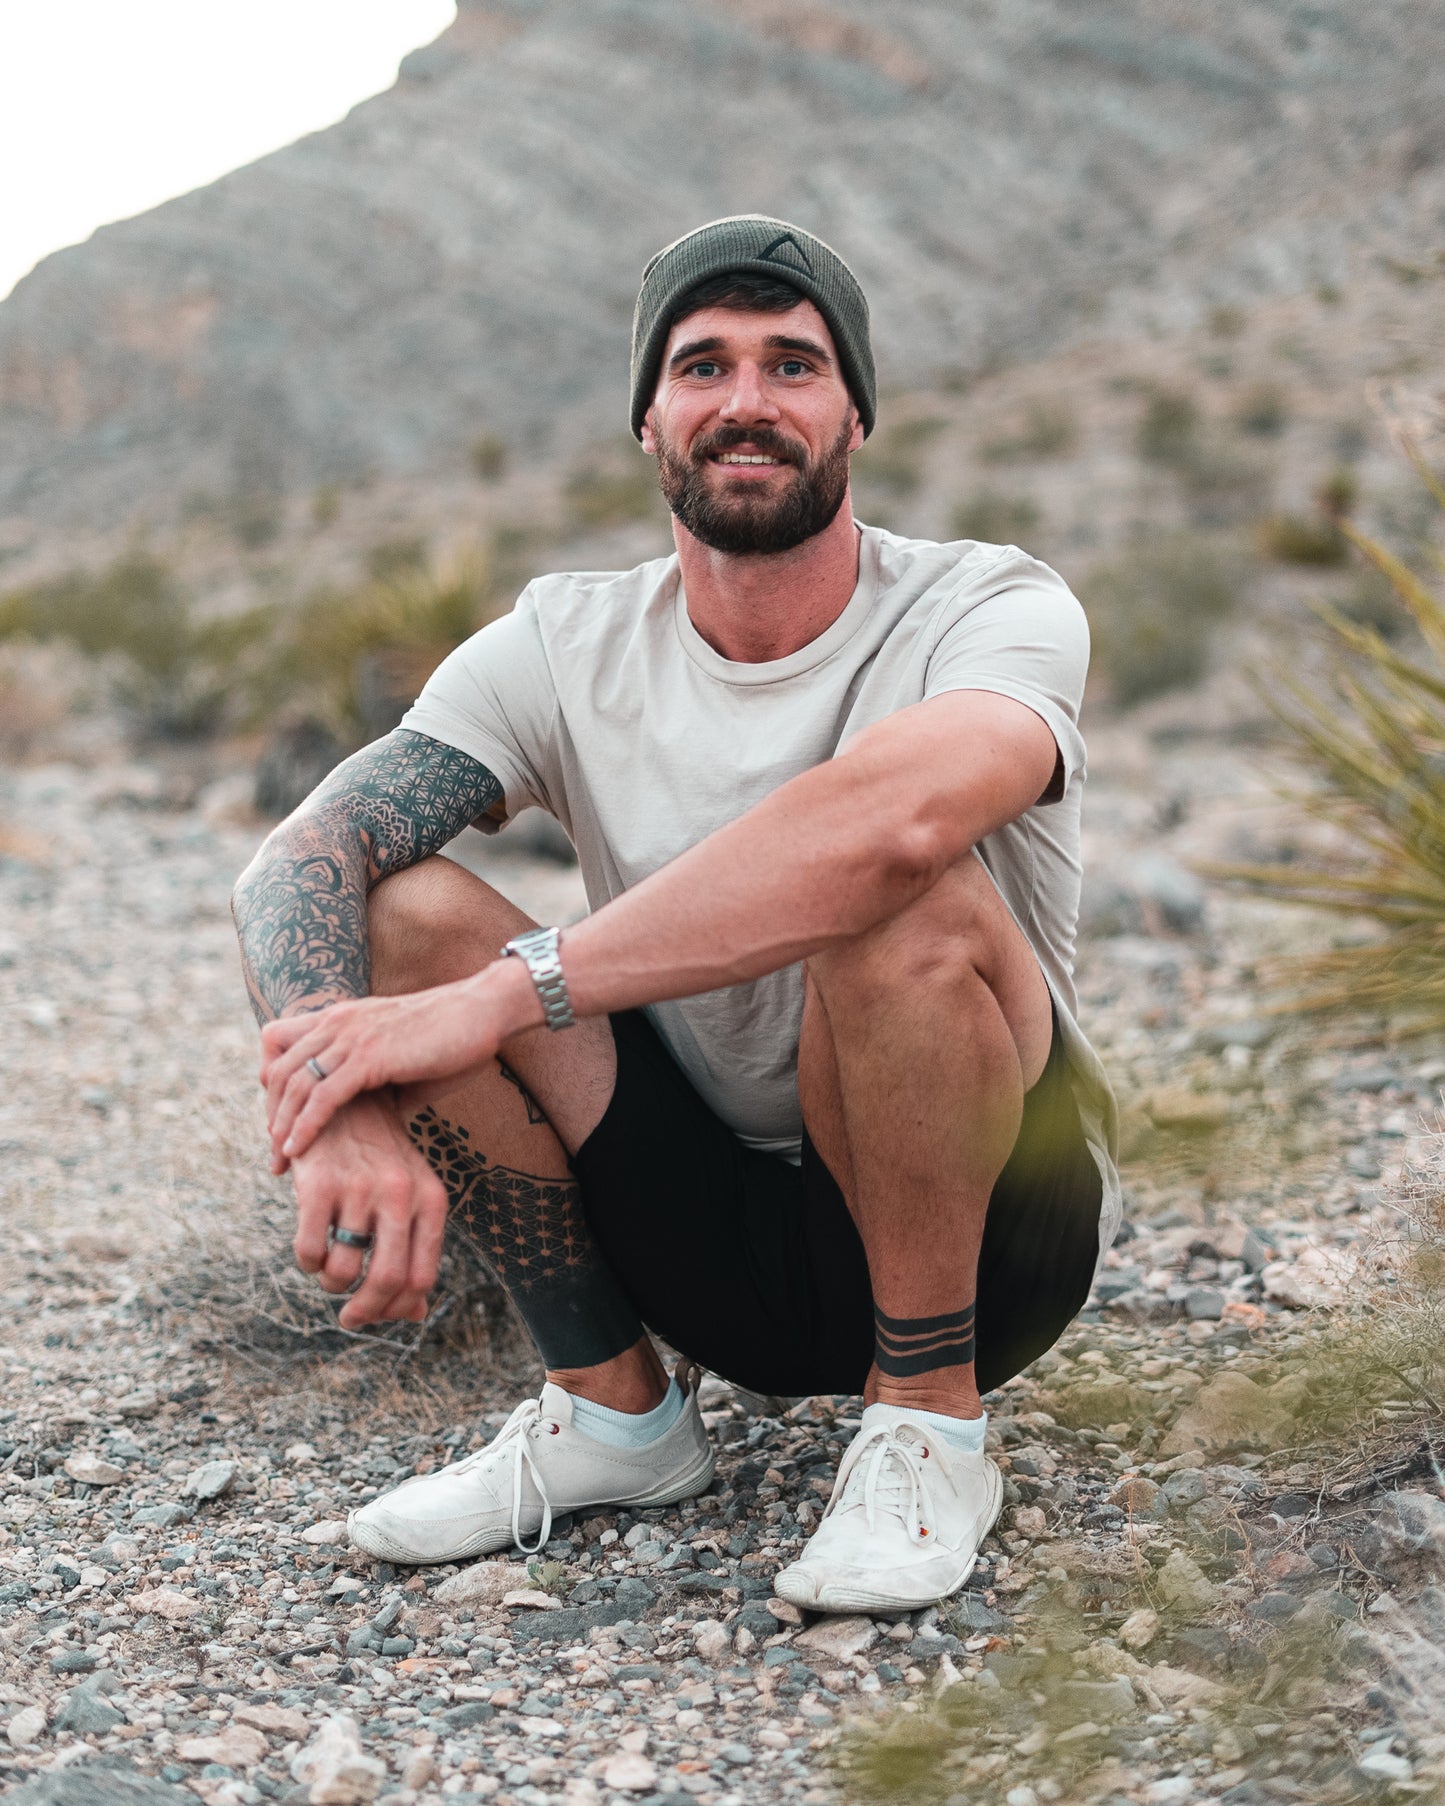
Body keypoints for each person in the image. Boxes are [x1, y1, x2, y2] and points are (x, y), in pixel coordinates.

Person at [232, 215, 1119, 1615]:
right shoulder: (562, 641)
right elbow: (305, 852)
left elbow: (889, 824)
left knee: (902, 890)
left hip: (993, 1218)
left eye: (793, 364)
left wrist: (510, 989)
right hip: (696, 1229)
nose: (747, 400)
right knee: (401, 914)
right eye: (702, 365)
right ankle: (613, 1414)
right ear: (649, 419)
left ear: (855, 413)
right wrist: (336, 1097)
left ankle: (928, 1427)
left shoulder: (988, 604)